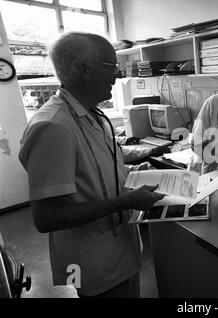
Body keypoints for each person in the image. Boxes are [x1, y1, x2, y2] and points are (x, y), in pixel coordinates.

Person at [18, 32, 165, 298]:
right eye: (112, 67)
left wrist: (130, 174)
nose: (117, 75)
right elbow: (46, 217)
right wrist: (126, 201)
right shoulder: (53, 126)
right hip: (93, 262)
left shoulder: (91, 113)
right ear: (84, 69)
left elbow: (98, 172)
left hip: (120, 249)